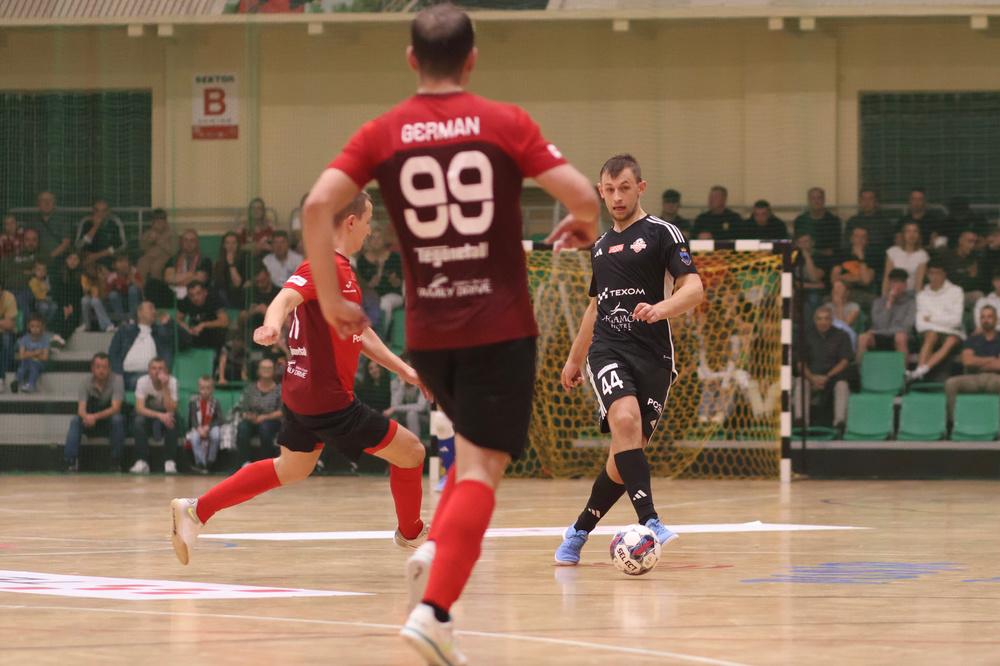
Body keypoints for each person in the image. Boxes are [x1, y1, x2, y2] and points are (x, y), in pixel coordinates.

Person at [285, 7, 600, 660]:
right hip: (499, 327)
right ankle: (434, 612)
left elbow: (316, 206)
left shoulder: (383, 131)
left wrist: (330, 297)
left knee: (466, 453)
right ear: (473, 59)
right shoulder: (505, 122)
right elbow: (584, 197)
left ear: (411, 59)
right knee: (482, 465)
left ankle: (435, 551)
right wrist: (583, 224)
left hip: (429, 333)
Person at [170, 192, 433, 577]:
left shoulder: (343, 271)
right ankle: (411, 533)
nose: (370, 230)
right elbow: (285, 297)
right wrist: (272, 325)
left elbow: (359, 332)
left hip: (301, 392)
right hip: (327, 398)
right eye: (368, 221)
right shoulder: (324, 266)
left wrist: (405, 371)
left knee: (292, 467)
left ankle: (195, 511)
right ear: (351, 222)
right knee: (411, 452)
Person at [554, 152, 703, 567]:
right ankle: (650, 520)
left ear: (640, 187)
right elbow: (594, 308)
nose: (617, 197)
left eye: (624, 188)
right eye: (610, 190)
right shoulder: (600, 246)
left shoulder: (662, 233)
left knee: (624, 457)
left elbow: (694, 288)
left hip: (654, 355)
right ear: (600, 193)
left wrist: (661, 309)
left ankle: (578, 530)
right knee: (623, 420)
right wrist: (574, 360)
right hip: (608, 349)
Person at [63, 352, 125, 472]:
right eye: (98, 367)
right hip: (90, 421)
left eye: (105, 367)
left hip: (108, 422)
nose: (101, 370)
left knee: (118, 419)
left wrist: (94, 417)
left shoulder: (117, 380)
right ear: (92, 368)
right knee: (75, 420)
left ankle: (116, 462)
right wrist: (87, 417)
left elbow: (115, 408)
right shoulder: (85, 382)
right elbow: (81, 409)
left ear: (109, 369)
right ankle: (70, 462)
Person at [793, 305, 852, 429]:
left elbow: (845, 361)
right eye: (819, 319)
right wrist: (812, 378)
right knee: (800, 382)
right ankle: (801, 422)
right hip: (811, 377)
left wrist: (827, 376)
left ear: (832, 320)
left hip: (833, 377)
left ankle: (839, 424)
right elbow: (800, 363)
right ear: (815, 320)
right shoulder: (805, 335)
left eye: (826, 318)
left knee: (842, 385)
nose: (823, 322)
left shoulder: (842, 335)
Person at [909, 260, 964, 382]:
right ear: (927, 274)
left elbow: (956, 321)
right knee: (932, 334)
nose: (934, 276)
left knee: (951, 339)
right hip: (929, 333)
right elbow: (920, 324)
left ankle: (918, 372)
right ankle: (920, 372)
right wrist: (943, 320)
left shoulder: (956, 291)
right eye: (931, 273)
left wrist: (932, 319)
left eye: (938, 273)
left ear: (944, 274)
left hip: (952, 333)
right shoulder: (922, 295)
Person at [944, 305, 1000, 423]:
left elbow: (998, 365)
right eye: (983, 317)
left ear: (996, 319)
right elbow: (967, 361)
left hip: (995, 378)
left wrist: (978, 362)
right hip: (974, 378)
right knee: (951, 383)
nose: (986, 320)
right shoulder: (972, 339)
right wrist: (992, 359)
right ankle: (953, 424)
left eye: (989, 317)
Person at [109, 300, 175, 389]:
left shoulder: (161, 332)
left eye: (155, 309)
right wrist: (118, 375)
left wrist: (170, 322)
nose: (154, 311)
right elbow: (113, 354)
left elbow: (170, 352)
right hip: (124, 375)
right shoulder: (124, 331)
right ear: (139, 312)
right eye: (151, 308)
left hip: (151, 376)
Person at [131, 356, 179, 475]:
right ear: (149, 371)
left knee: (172, 421)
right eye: (154, 368)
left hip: (167, 414)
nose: (157, 371)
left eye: (160, 368)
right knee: (138, 421)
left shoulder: (173, 382)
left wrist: (165, 386)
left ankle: (170, 462)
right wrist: (159, 415)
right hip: (150, 415)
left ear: (166, 371)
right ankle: (142, 461)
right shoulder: (142, 381)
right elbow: (139, 408)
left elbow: (171, 409)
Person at [856, 268, 915, 363]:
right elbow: (879, 324)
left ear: (905, 285)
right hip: (880, 335)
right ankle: (862, 371)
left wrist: (880, 331)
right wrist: (889, 304)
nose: (897, 285)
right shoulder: (878, 302)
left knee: (900, 337)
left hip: (900, 336)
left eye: (900, 282)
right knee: (862, 338)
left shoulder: (911, 303)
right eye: (894, 282)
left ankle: (903, 371)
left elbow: (906, 327)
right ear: (889, 284)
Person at [355, 226, 404, 335]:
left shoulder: (395, 257)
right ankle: (362, 336)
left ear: (384, 240)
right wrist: (370, 284)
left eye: (379, 238)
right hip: (370, 295)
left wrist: (394, 280)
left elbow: (400, 284)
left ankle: (380, 336)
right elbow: (359, 285)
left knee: (384, 304)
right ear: (369, 241)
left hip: (392, 294)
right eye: (373, 238)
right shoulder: (362, 260)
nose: (376, 241)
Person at [234, 357, 283, 464]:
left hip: (272, 421)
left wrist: (264, 417)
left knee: (265, 428)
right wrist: (249, 416)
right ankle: (244, 462)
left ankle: (265, 462)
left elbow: (282, 411)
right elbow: (243, 408)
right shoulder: (250, 388)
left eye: (269, 368)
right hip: (253, 420)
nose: (266, 370)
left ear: (274, 371)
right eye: (263, 368)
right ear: (258, 371)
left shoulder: (279, 389)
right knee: (242, 427)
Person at [844, 188, 893, 275]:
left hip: (877, 263)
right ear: (860, 201)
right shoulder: (852, 221)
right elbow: (846, 243)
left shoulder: (885, 223)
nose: (867, 202)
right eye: (864, 199)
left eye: (870, 199)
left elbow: (890, 247)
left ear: (876, 202)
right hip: (853, 261)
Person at [829, 226, 878, 311]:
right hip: (842, 292)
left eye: (863, 237)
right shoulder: (840, 254)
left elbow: (866, 280)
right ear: (851, 239)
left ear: (867, 240)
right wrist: (858, 278)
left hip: (864, 293)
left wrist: (861, 257)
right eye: (857, 236)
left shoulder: (872, 257)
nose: (860, 239)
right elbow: (834, 279)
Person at [793, 187, 842, 267]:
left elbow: (833, 250)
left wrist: (814, 251)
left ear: (824, 200)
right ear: (809, 201)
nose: (816, 201)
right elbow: (797, 244)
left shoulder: (833, 221)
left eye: (819, 198)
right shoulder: (800, 220)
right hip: (803, 258)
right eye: (813, 198)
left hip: (825, 261)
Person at [938, 229, 988, 305]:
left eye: (974, 242)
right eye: (969, 241)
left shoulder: (974, 259)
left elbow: (978, 285)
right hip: (947, 295)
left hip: (963, 295)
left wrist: (973, 277)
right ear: (960, 241)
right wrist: (967, 276)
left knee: (979, 295)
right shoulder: (947, 256)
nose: (972, 245)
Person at [177, 281, 229, 351]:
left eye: (198, 293)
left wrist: (204, 325)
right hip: (195, 332)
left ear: (205, 292)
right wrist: (186, 327)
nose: (195, 298)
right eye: (191, 295)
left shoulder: (214, 299)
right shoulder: (186, 300)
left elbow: (225, 322)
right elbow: (177, 319)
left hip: (214, 332)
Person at [75, 199, 127, 268]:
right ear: (93, 211)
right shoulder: (86, 222)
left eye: (104, 211)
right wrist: (95, 227)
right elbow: (78, 245)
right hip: (89, 258)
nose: (100, 214)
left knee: (122, 262)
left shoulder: (115, 222)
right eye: (97, 211)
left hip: (108, 256)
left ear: (108, 211)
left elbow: (122, 245)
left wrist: (99, 255)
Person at [187, 376, 224, 473]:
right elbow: (192, 419)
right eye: (202, 388)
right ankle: (201, 463)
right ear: (198, 388)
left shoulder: (216, 402)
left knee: (216, 435)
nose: (205, 391)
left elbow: (220, 419)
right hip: (198, 427)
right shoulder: (193, 402)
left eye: (208, 388)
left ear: (212, 389)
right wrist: (198, 428)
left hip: (211, 427)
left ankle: (211, 461)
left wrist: (209, 427)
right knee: (194, 438)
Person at [24, 191, 72, 263]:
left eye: (50, 200)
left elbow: (66, 243)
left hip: (58, 259)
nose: (47, 203)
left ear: (54, 204)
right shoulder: (32, 221)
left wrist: (49, 257)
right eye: (43, 200)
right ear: (38, 204)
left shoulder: (63, 220)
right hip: (36, 259)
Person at [164, 229, 212, 300]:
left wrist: (177, 280)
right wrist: (191, 274)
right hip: (173, 293)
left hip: (194, 295)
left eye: (192, 240)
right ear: (181, 242)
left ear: (197, 243)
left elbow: (200, 280)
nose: (188, 243)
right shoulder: (174, 259)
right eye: (185, 240)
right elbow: (168, 278)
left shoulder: (205, 260)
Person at [882, 221, 928, 295]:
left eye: (915, 231)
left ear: (919, 235)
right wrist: (884, 296)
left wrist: (918, 299)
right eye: (908, 231)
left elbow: (919, 283)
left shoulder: (922, 255)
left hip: (911, 293)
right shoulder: (892, 251)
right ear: (903, 234)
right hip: (893, 292)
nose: (912, 235)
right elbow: (887, 278)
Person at [212, 231, 249, 308]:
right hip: (223, 297)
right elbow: (218, 284)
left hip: (240, 296)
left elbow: (237, 284)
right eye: (227, 243)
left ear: (238, 245)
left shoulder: (245, 258)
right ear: (224, 245)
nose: (230, 246)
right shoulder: (219, 263)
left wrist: (231, 264)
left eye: (234, 243)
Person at [15, 314, 51, 393]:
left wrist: (28, 354)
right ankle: (17, 381)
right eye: (32, 326)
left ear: (42, 327)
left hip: (40, 364)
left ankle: (31, 385)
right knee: (24, 364)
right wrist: (35, 353)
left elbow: (45, 357)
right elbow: (21, 356)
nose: (35, 329)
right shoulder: (24, 339)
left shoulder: (45, 340)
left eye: (37, 326)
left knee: (34, 364)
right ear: (28, 327)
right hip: (26, 363)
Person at [79, 261, 115, 332]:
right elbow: (86, 290)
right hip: (92, 298)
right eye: (88, 268)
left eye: (92, 268)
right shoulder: (84, 277)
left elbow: (104, 292)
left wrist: (101, 280)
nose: (91, 270)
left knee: (95, 301)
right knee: (84, 300)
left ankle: (107, 325)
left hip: (104, 300)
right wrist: (91, 289)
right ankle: (86, 324)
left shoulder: (101, 276)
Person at [106, 254, 143, 322]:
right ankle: (122, 320)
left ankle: (132, 319)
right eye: (120, 261)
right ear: (114, 265)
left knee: (132, 289)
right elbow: (108, 295)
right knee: (112, 295)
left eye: (126, 261)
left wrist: (132, 278)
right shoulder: (112, 276)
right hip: (120, 301)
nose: (123, 264)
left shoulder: (134, 271)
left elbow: (141, 287)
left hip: (134, 300)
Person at [973, 267, 1000, 333]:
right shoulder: (983, 301)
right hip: (986, 334)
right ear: (993, 282)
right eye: (998, 280)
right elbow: (979, 325)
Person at [0, 278, 15, 391]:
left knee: (5, 339)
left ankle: (1, 379)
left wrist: (5, 324)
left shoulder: (9, 297)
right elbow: (5, 322)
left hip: (4, 333)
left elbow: (10, 325)